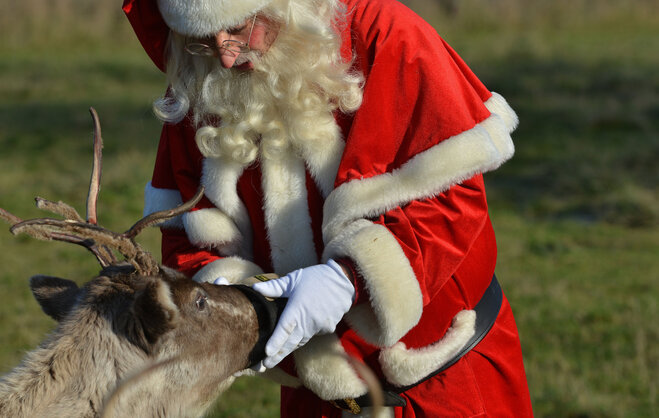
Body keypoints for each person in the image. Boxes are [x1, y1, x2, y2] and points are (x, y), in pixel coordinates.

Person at [124, 0, 534, 416]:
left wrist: (349, 280)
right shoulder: (200, 78)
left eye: (239, 29)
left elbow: (452, 198)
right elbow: (186, 235)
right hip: (317, 397)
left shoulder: (387, 33)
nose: (227, 57)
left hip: (445, 379)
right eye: (203, 42)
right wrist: (252, 307)